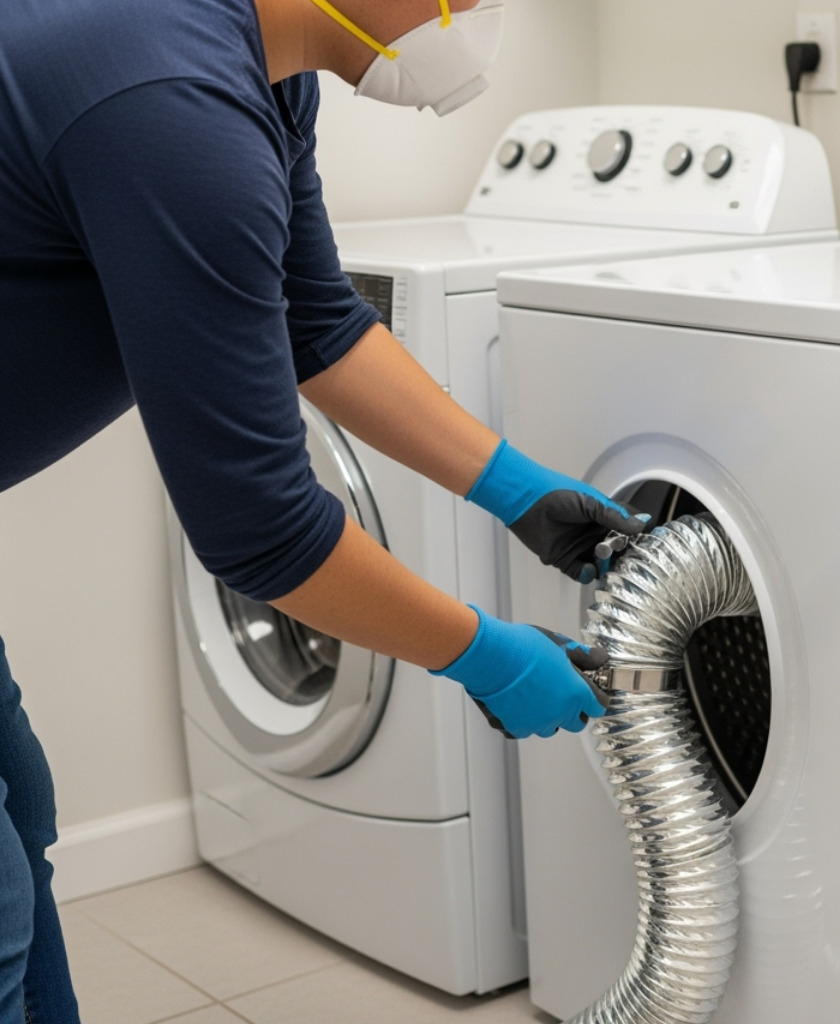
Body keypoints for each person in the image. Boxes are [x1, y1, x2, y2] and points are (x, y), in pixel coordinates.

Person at [0, 1, 644, 1019]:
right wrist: (484, 654)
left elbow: (318, 320)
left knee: (20, 824)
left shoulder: (261, 65)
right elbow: (261, 530)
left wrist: (517, 490)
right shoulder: (177, 109)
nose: (479, 17)